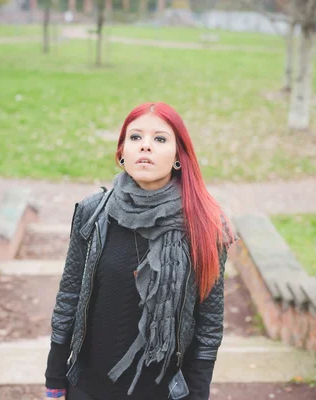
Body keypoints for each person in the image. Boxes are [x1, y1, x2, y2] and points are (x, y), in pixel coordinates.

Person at [44, 102, 235, 400]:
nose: (145, 146)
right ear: (122, 152)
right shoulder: (93, 213)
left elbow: (208, 323)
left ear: (178, 157)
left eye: (160, 139)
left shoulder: (203, 224)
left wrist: (197, 393)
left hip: (161, 391)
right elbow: (69, 297)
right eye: (135, 137)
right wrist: (55, 377)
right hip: (89, 387)